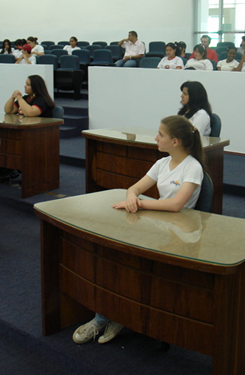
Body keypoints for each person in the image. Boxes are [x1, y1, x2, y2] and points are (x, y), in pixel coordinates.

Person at [73, 115, 205, 345]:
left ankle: (118, 315)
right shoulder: (162, 163)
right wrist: (132, 196)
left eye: (160, 135)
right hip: (159, 225)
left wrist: (139, 203)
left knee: (130, 265)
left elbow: (175, 205)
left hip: (180, 234)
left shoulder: (193, 167)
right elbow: (135, 187)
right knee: (113, 255)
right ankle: (105, 315)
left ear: (175, 141)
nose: (156, 138)